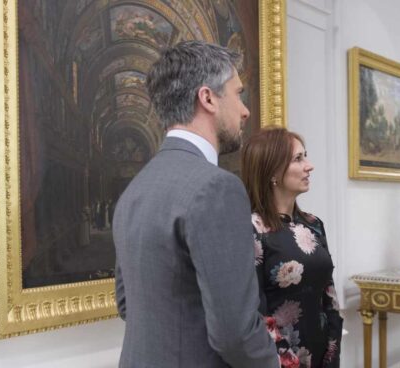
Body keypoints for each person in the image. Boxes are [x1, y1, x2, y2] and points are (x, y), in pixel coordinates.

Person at [113, 40, 278, 368]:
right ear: (207, 98)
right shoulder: (217, 187)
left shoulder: (135, 188)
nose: (245, 110)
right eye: (238, 93)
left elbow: (126, 303)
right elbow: (234, 332)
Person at [241, 128, 343, 368]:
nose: (309, 166)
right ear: (272, 170)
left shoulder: (314, 224)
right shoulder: (251, 228)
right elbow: (255, 311)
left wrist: (332, 350)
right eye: (298, 159)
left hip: (323, 354)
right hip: (277, 360)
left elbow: (329, 296)